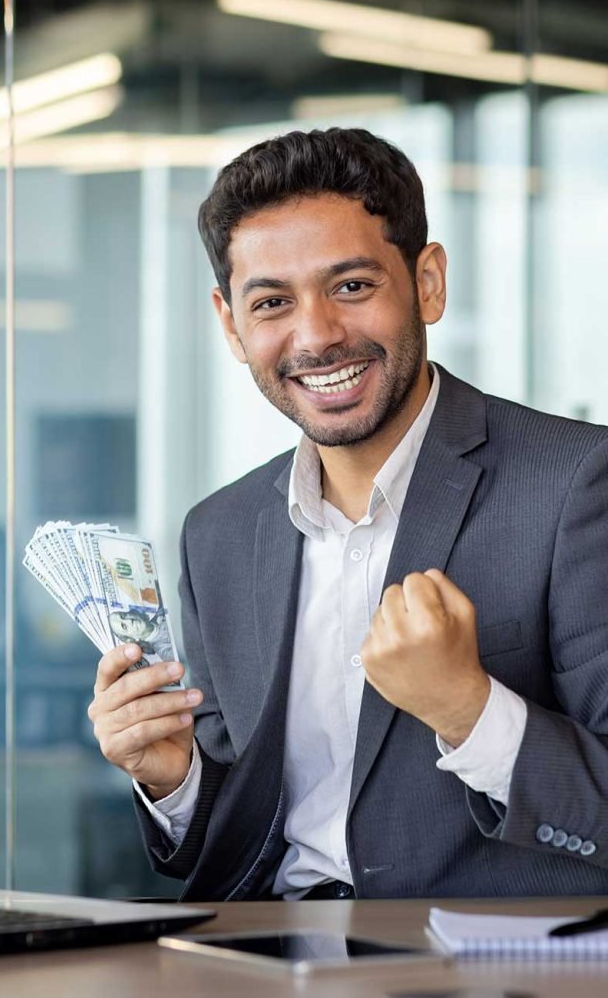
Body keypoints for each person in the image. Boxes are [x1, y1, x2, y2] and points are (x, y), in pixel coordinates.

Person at [88, 127, 608, 901]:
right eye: (271, 302)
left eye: (352, 287)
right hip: (265, 958)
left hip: (481, 970)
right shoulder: (219, 534)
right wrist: (176, 781)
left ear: (427, 282)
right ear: (230, 323)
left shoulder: (575, 483)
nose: (318, 335)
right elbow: (244, 842)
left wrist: (470, 709)